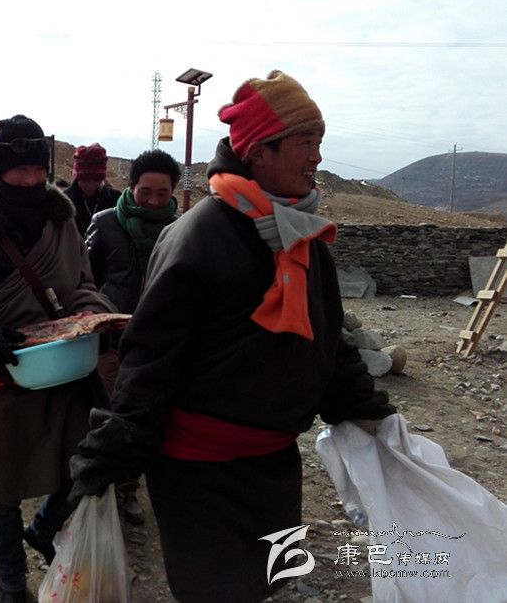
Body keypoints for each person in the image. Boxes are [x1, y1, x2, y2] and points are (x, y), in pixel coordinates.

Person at [69, 70, 396, 602]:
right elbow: (149, 360)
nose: (317, 158)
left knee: (271, 584)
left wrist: (368, 410)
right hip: (198, 475)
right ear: (259, 152)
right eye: (306, 142)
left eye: (320, 142)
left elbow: (326, 341)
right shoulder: (197, 237)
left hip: (275, 469)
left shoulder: (303, 239)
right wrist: (112, 450)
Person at [0, 115, 116, 603]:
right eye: (21, 171)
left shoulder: (61, 220)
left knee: (88, 460)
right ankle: (11, 582)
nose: (33, 181)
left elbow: (83, 282)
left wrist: (91, 312)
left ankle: (44, 529)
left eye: (39, 170)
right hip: (1, 366)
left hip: (66, 364)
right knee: (2, 481)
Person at [84, 148, 180, 525]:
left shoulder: (181, 229)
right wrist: (98, 313)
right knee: (109, 413)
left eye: (162, 193)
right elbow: (85, 279)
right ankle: (95, 487)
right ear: (131, 186)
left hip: (157, 344)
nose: (153, 200)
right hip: (110, 338)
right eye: (146, 191)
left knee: (144, 417)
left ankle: (127, 490)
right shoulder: (106, 222)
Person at [63, 143, 120, 235]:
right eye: (85, 180)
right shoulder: (63, 201)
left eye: (95, 180)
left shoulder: (116, 200)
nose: (90, 186)